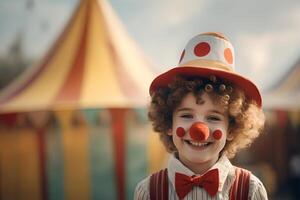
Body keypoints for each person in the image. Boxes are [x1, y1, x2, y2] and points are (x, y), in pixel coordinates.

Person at [134, 32, 268, 200]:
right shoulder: (148, 191)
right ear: (169, 123)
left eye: (213, 118)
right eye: (187, 115)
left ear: (232, 128)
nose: (199, 130)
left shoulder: (250, 190)